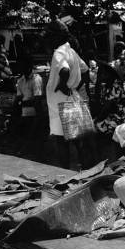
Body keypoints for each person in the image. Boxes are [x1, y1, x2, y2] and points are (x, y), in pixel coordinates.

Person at [44, 20, 93, 169]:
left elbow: (64, 70)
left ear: (55, 37)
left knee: (61, 140)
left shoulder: (59, 52)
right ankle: (85, 168)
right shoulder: (71, 51)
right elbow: (85, 71)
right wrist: (75, 87)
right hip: (72, 98)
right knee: (77, 138)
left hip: (60, 102)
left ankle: (64, 171)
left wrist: (62, 85)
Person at [94, 61, 125, 160]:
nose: (101, 75)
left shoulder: (116, 85)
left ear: (111, 74)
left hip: (120, 117)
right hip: (113, 114)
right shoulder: (107, 85)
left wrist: (96, 120)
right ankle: (103, 157)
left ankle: (106, 158)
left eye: (104, 73)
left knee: (98, 129)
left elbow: (108, 106)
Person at [14, 56, 43, 157]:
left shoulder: (36, 79)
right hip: (24, 113)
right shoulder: (20, 81)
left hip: (34, 114)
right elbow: (18, 99)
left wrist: (22, 103)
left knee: (33, 139)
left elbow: (37, 100)